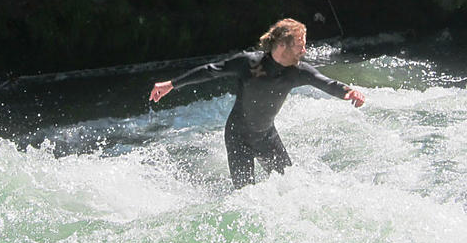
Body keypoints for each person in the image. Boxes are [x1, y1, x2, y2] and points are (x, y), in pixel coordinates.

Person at [149, 18, 365, 189]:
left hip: (266, 136)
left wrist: (349, 92)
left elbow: (326, 83)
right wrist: (172, 84)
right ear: (282, 45)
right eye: (300, 46)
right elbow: (211, 70)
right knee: (246, 197)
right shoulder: (248, 63)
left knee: (291, 189)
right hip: (237, 137)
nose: (304, 51)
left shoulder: (298, 72)